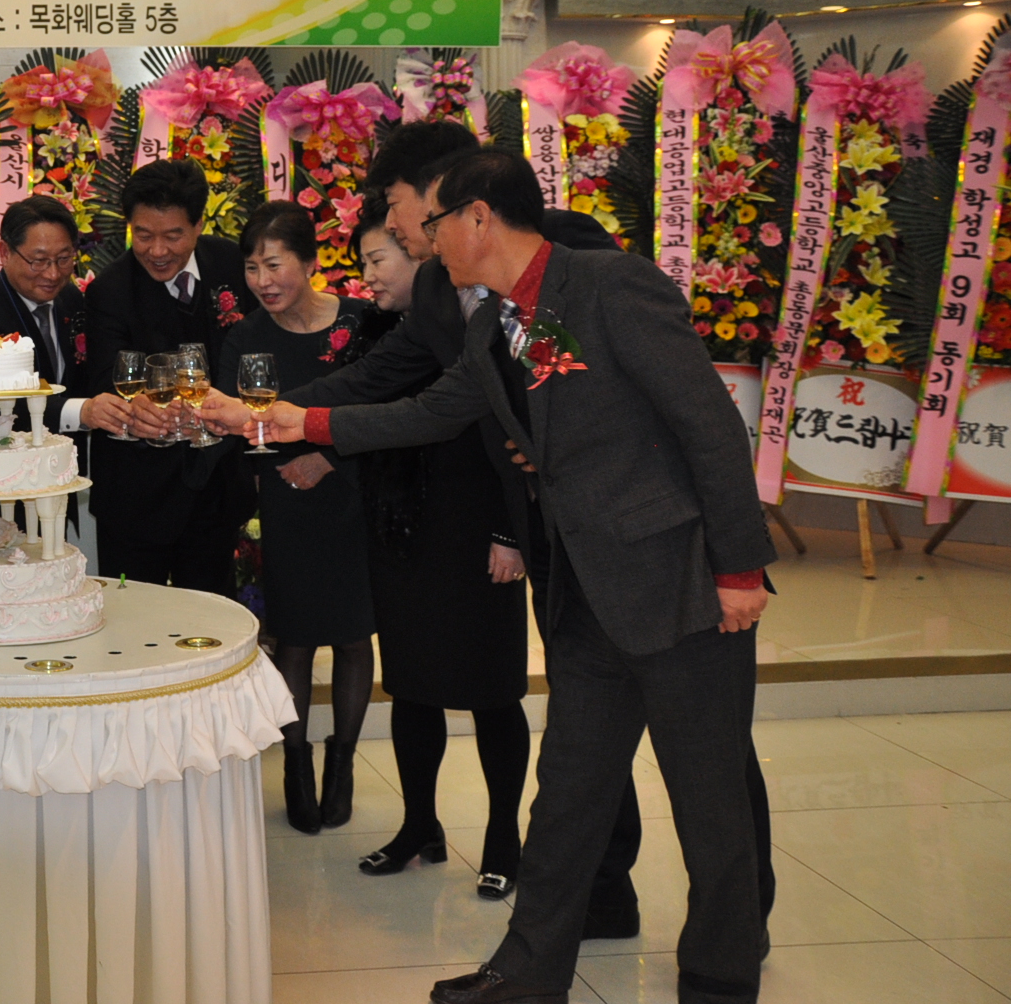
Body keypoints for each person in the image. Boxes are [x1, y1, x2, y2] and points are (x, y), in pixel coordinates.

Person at [210, 150, 776, 1004]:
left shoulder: (609, 285)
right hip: (584, 590)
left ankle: (722, 972)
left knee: (709, 795)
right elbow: (428, 410)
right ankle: (530, 971)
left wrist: (738, 566)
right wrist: (296, 421)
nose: (423, 241)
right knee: (569, 791)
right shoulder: (493, 325)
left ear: (478, 217)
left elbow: (709, 428)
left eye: (431, 223)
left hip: (679, 580)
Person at [345, 205, 531, 900]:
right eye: (363, 263)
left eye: (378, 259)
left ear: (421, 258)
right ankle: (419, 824)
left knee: (492, 690)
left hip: (479, 529)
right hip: (404, 528)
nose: (368, 277)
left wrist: (510, 533)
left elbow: (515, 428)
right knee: (413, 684)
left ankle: (504, 837)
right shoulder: (382, 335)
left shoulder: (478, 321)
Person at [208, 202, 376, 833]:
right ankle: (297, 763)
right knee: (294, 638)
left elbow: (389, 406)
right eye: (252, 268)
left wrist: (328, 457)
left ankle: (344, 762)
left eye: (274, 265)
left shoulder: (360, 322)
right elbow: (236, 424)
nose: (263, 280)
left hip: (352, 494)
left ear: (309, 262)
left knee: (355, 637)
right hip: (282, 501)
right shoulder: (246, 337)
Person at [74, 158, 256, 591]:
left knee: (212, 615)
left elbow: (252, 353)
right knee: (133, 615)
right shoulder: (110, 291)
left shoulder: (231, 265)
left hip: (217, 490)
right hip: (136, 497)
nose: (157, 251)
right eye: (144, 235)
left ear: (198, 225)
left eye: (173, 236)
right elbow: (104, 378)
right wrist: (133, 406)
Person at [0, 193, 90, 435]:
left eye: (64, 259)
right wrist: (80, 411)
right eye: (39, 261)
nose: (53, 274)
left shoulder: (69, 297)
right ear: (5, 252)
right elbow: (0, 405)